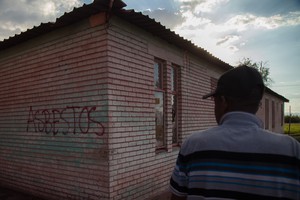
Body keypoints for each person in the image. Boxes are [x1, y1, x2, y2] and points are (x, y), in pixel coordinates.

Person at [169, 65, 300, 199]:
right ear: (257, 103)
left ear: (223, 101)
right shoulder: (291, 150)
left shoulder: (193, 145)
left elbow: (177, 197)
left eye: (215, 101)